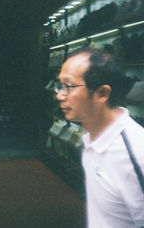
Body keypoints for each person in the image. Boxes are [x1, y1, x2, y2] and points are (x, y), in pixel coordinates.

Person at [54, 47, 144, 228]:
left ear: (102, 93)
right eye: (59, 85)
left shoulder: (135, 153)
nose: (59, 95)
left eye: (68, 86)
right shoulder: (92, 138)